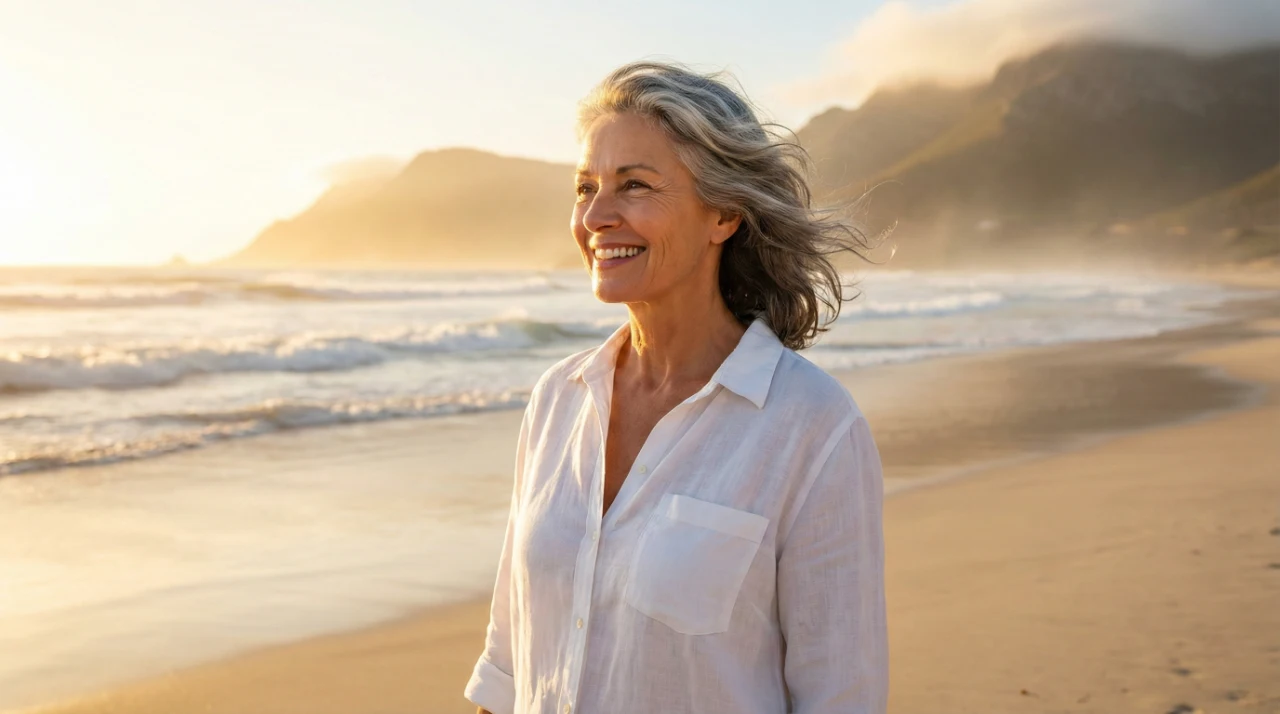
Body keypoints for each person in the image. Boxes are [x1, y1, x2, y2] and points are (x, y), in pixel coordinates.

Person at [464, 60, 888, 714]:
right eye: (585, 188)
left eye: (634, 186)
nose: (597, 216)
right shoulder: (557, 400)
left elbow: (841, 698)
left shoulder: (812, 427)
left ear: (723, 214)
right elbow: (508, 665)